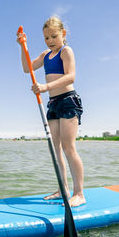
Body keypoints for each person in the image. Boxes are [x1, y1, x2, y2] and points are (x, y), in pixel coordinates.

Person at [16, 16, 86, 207]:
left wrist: (45, 87)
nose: (50, 41)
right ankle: (62, 189)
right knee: (56, 150)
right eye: (46, 38)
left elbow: (71, 77)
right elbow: (26, 68)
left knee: (68, 147)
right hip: (53, 104)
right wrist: (23, 46)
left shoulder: (66, 51)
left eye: (54, 36)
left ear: (63, 34)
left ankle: (79, 193)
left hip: (68, 101)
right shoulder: (46, 55)